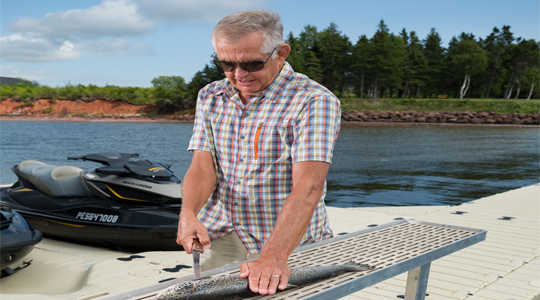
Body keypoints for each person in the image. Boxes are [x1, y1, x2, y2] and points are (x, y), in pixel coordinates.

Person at [176, 10, 341, 296]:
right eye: (227, 64)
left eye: (252, 64)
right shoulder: (210, 96)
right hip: (224, 235)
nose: (238, 75)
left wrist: (274, 256)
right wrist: (188, 214)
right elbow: (203, 168)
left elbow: (308, 187)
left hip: (289, 244)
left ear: (281, 52)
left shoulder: (314, 101)